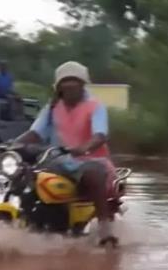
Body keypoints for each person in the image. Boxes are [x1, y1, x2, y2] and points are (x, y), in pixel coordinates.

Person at [14, 61, 118, 247]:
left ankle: (104, 228)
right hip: (57, 160)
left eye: (74, 80)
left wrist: (84, 147)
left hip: (90, 159)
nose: (69, 85)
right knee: (26, 174)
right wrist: (13, 145)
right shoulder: (52, 108)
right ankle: (27, 218)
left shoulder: (95, 106)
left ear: (82, 84)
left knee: (93, 173)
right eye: (65, 81)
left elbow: (100, 135)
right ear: (58, 86)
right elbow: (35, 133)